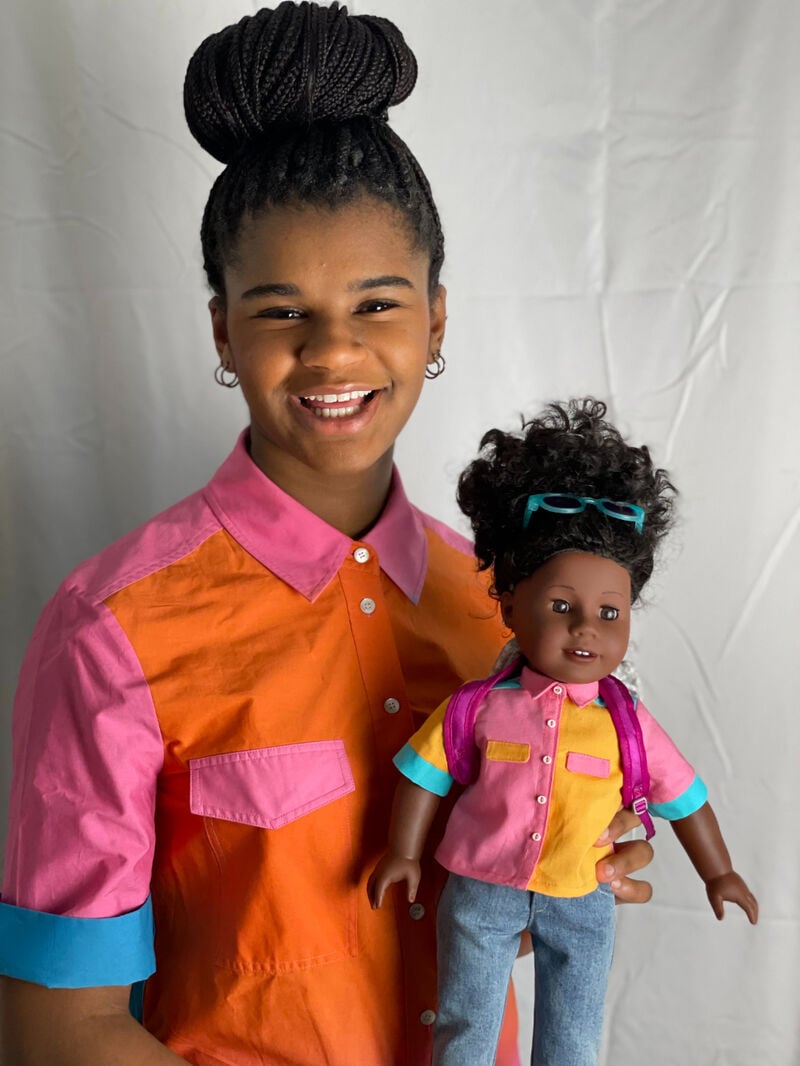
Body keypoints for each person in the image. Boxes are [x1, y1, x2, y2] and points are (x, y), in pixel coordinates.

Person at [0, 7, 656, 1065]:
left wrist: (561, 856)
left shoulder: (500, 603)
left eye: (377, 304)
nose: (332, 352)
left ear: (435, 319)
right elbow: (58, 1026)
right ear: (222, 330)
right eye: (279, 312)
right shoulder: (109, 633)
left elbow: (467, 916)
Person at [368, 398, 759, 1066]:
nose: (586, 628)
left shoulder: (628, 724)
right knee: (466, 1024)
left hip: (582, 895)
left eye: (610, 612)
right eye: (560, 606)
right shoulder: (477, 707)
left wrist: (718, 871)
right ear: (510, 606)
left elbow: (686, 796)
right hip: (481, 890)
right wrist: (403, 853)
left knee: (574, 1035)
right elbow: (423, 776)